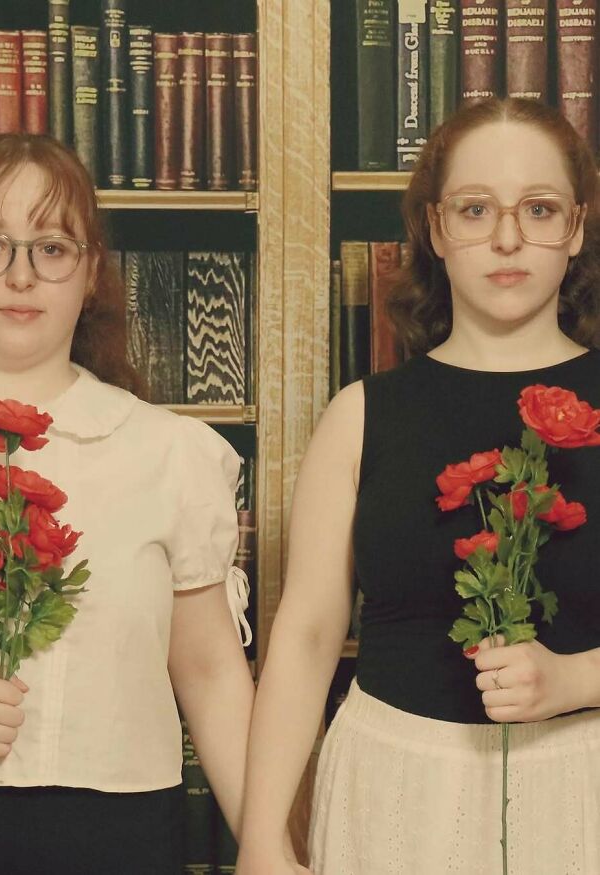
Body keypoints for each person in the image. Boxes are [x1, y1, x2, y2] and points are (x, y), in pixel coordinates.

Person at [235, 97, 600, 875]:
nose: (507, 238)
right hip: (389, 786)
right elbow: (304, 636)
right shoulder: (360, 416)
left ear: (575, 226)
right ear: (436, 230)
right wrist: (264, 836)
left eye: (538, 208)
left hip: (582, 783)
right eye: (476, 209)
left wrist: (574, 676)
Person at [0, 133, 256, 874]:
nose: (21, 275)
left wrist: (273, 846)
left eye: (52, 248)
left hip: (117, 832)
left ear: (91, 273)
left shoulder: (167, 454)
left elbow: (211, 673)